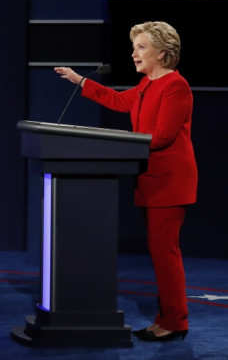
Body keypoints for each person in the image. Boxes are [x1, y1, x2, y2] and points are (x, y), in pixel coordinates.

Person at [54, 21, 197, 343]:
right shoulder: (147, 85)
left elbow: (162, 137)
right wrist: (80, 81)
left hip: (170, 183)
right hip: (151, 179)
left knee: (165, 254)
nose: (134, 54)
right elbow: (119, 102)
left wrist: (121, 143)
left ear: (162, 53)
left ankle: (175, 321)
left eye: (141, 47)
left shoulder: (176, 86)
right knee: (160, 253)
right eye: (134, 47)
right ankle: (169, 318)